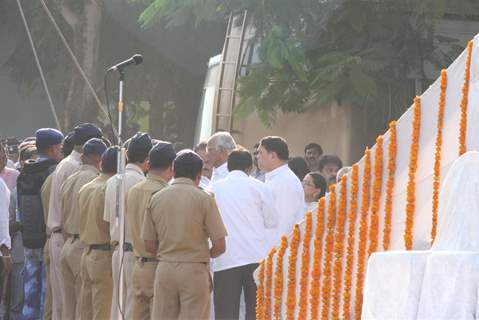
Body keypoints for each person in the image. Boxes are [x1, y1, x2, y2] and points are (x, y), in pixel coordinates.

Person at [142, 150, 227, 319]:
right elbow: (220, 245)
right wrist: (201, 256)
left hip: (165, 268)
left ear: (173, 170)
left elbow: (149, 244)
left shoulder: (156, 198)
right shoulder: (205, 199)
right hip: (195, 269)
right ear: (199, 174)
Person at [209, 148, 277, 320]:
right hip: (256, 257)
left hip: (225, 257)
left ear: (229, 167)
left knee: (225, 312)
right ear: (249, 168)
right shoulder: (260, 187)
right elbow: (272, 221)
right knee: (255, 312)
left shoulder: (214, 189)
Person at [47, 123, 102, 320]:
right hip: (70, 237)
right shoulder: (77, 169)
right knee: (76, 306)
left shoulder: (68, 165)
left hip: (63, 238)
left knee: (64, 306)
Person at [104, 132, 152, 320]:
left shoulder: (111, 182)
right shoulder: (143, 184)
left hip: (117, 251)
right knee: (133, 308)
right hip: (136, 254)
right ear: (148, 159)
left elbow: (108, 219)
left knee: (117, 309)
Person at [17, 128, 64, 320]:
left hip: (28, 239)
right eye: (60, 147)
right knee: (47, 291)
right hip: (47, 238)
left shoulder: (24, 172)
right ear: (53, 148)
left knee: (30, 290)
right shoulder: (53, 172)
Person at [126, 142, 175, 320]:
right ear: (171, 166)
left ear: (149, 163)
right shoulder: (165, 193)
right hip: (158, 265)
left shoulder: (133, 190)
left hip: (138, 264)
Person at [58, 138, 106, 320]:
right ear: (99, 159)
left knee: (68, 310)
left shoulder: (69, 178)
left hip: (67, 244)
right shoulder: (95, 181)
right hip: (82, 247)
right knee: (83, 310)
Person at [78, 146, 118, 320]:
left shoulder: (86, 187)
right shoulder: (109, 189)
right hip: (103, 255)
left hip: (86, 252)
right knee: (103, 312)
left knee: (86, 310)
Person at [256, 136, 304, 246]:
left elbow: (283, 225)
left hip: (277, 253)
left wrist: (269, 255)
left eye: (260, 153)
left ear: (272, 156)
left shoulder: (286, 181)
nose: (257, 156)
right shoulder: (276, 178)